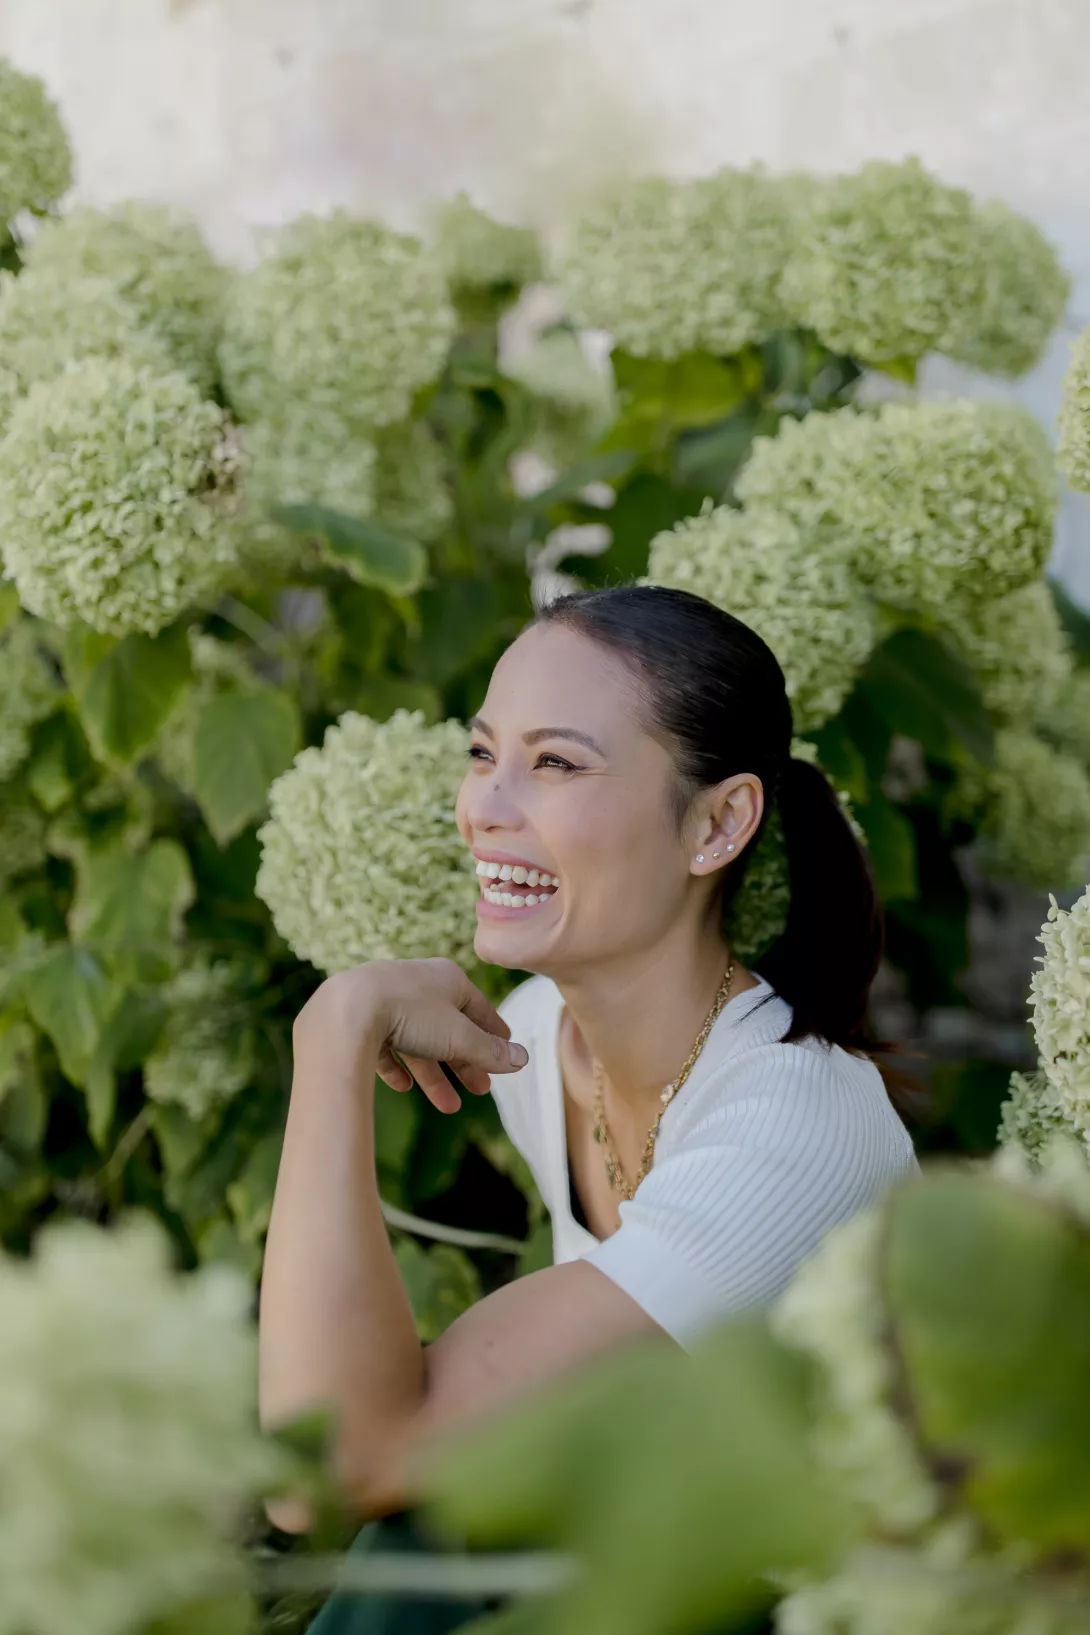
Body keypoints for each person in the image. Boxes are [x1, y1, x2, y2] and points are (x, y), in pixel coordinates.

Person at [259, 585, 917, 1594]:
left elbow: (333, 1466)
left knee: (434, 1524)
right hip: (657, 1568)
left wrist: (332, 1032)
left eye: (555, 763)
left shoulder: (794, 1129)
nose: (483, 807)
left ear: (717, 823)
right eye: (481, 753)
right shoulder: (535, 1040)